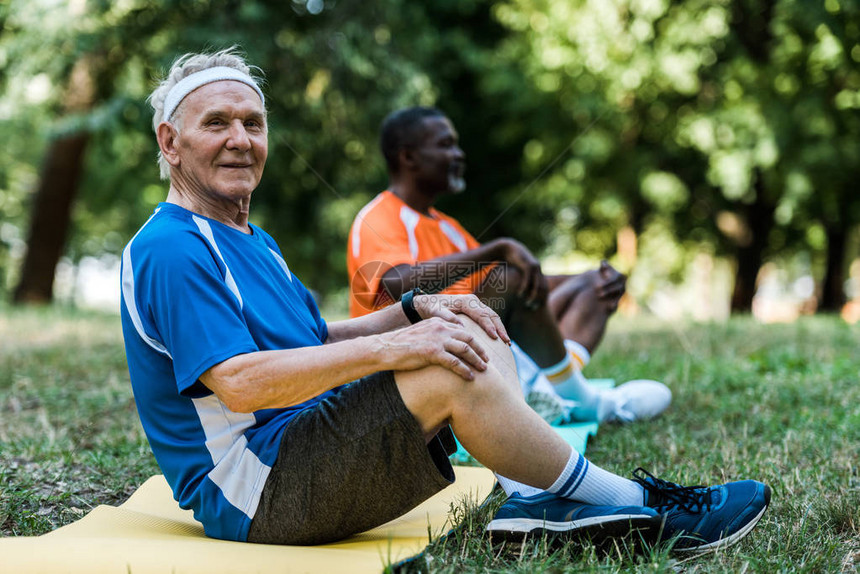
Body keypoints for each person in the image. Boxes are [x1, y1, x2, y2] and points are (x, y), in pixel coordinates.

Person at [120, 48, 770, 554]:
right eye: (216, 124)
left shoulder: (250, 240)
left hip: (298, 448)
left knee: (464, 324)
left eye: (253, 123)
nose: (240, 139)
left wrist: (417, 313)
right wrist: (399, 345)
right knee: (440, 361)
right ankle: (639, 508)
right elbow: (238, 384)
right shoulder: (172, 248)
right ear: (170, 142)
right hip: (257, 494)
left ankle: (533, 495)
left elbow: (315, 341)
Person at [347, 106, 670, 427]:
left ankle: (549, 392)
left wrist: (590, 281)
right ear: (409, 157)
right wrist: (499, 250)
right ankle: (581, 401)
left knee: (584, 285)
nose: (459, 154)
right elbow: (398, 285)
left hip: (468, 346)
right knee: (510, 278)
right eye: (446, 145)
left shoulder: (446, 227)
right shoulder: (378, 217)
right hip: (410, 370)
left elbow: (505, 283)